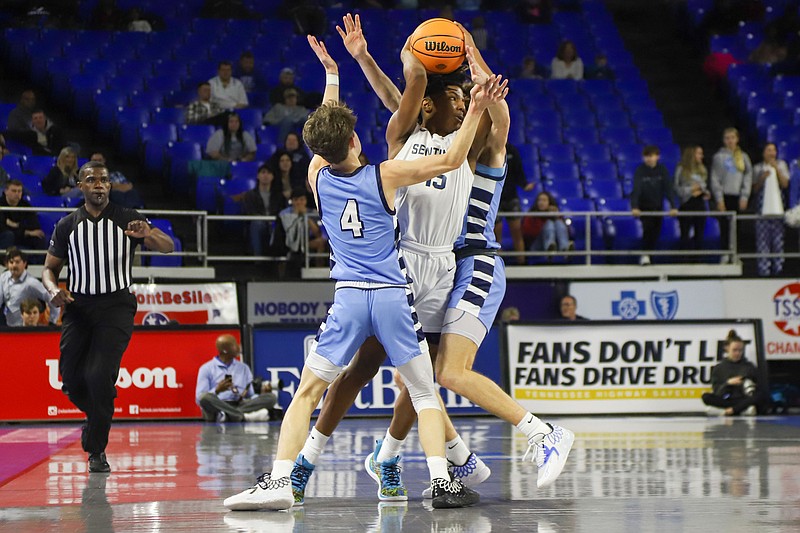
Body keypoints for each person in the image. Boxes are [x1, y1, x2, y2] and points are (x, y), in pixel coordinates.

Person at [289, 14, 570, 507]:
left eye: (467, 101)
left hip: (448, 266)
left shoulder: (468, 145)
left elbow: (495, 118)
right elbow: (406, 86)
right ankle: (313, 463)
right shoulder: (404, 139)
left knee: (427, 375)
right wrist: (365, 57)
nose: (463, 105)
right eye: (456, 99)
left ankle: (404, 457)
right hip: (397, 268)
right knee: (364, 370)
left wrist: (470, 58)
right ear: (430, 107)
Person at [223, 34, 505, 512]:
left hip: (350, 296)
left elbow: (326, 131)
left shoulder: (317, 176)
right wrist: (475, 105)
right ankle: (441, 478)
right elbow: (455, 158)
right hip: (397, 292)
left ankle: (280, 481)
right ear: (357, 140)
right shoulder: (385, 174)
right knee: (424, 392)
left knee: (309, 390)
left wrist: (336, 74)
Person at [41, 160, 174, 473]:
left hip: (116, 305)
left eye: (103, 180)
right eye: (91, 180)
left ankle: (96, 450)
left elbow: (167, 247)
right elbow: (49, 269)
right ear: (81, 186)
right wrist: (51, 291)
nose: (98, 184)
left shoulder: (127, 218)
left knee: (100, 376)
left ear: (109, 186)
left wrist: (150, 234)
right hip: (77, 305)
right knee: (71, 379)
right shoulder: (67, 224)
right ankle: (98, 415)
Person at [195, 334, 278, 422]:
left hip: (239, 404)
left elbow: (251, 394)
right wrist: (217, 390)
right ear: (225, 350)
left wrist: (261, 394)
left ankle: (228, 416)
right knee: (205, 398)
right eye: (235, 345)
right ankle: (243, 416)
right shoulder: (206, 368)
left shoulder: (243, 368)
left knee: (271, 397)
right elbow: (199, 398)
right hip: (218, 405)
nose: (239, 347)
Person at [630, 145, 679, 265]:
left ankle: (649, 255)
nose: (649, 159)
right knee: (648, 230)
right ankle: (645, 255)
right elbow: (636, 190)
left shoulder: (662, 170)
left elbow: (668, 189)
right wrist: (635, 206)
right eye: (647, 156)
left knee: (656, 232)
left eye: (652, 156)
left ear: (658, 157)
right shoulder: (640, 171)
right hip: (644, 207)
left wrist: (673, 206)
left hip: (658, 207)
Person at [710, 127, 752, 263]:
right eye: (727, 138)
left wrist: (745, 196)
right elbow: (715, 178)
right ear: (723, 140)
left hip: (738, 196)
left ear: (737, 139)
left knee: (737, 227)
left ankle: (735, 254)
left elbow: (748, 176)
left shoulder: (743, 157)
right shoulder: (718, 157)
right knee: (724, 226)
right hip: (725, 195)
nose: (730, 141)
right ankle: (724, 253)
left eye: (732, 138)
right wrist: (719, 198)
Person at [751, 142, 790, 276]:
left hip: (778, 210)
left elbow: (785, 184)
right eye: (768, 150)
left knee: (778, 242)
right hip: (762, 211)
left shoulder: (782, 165)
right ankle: (764, 271)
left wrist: (777, 170)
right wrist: (762, 177)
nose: (771, 153)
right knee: (763, 242)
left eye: (773, 150)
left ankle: (778, 270)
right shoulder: (757, 168)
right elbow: (755, 189)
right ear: (764, 153)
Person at [702, 330, 759, 416]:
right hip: (728, 400)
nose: (738, 353)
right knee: (706, 397)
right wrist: (728, 383)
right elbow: (717, 392)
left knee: (759, 397)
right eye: (735, 350)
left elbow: (757, 391)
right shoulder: (719, 368)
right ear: (727, 348)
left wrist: (746, 384)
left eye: (740, 350)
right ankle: (741, 411)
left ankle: (728, 411)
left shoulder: (749, 366)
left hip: (743, 399)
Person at [273, 188, 326, 278]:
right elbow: (286, 231)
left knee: (321, 242)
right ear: (292, 201)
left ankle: (319, 268)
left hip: (307, 241)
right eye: (296, 200)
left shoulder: (312, 213)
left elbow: (317, 233)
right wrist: (295, 216)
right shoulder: (285, 214)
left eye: (301, 200)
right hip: (289, 242)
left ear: (305, 201)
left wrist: (306, 217)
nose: (299, 203)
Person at [495, 142, 533, 264]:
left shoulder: (512, 150)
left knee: (516, 230)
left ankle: (522, 262)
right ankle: (496, 264)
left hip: (511, 197)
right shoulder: (490, 147)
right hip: (496, 197)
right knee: (496, 232)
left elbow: (519, 171)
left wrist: (524, 184)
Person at [0, 247, 59, 327]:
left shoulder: (31, 283)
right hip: (7, 328)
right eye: (11, 262)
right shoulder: (3, 278)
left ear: (24, 263)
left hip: (26, 329)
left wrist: (52, 322)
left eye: (17, 262)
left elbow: (52, 298)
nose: (14, 265)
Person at [241, 163, 286, 256]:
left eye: (269, 173)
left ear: (272, 176)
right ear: (258, 176)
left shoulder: (278, 196)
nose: (265, 175)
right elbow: (249, 212)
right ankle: (258, 257)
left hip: (275, 222)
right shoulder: (250, 195)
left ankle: (278, 257)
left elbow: (282, 211)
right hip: (259, 222)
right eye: (263, 172)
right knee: (257, 224)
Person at [675, 145, 710, 258]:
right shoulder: (681, 169)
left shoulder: (702, 169)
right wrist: (691, 190)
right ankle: (684, 262)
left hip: (699, 204)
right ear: (691, 154)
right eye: (699, 153)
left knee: (699, 235)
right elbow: (676, 188)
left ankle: (698, 261)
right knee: (685, 235)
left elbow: (703, 186)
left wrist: (705, 192)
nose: (702, 156)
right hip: (686, 204)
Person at [0, 179, 48, 252]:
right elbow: (3, 228)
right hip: (6, 236)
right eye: (14, 191)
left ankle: (40, 263)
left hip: (21, 236)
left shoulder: (25, 205)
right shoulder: (1, 205)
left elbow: (34, 225)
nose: (17, 194)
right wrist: (26, 231)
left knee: (39, 237)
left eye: (19, 191)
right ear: (6, 191)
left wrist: (16, 225)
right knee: (9, 235)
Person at [521, 191, 573, 258]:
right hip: (537, 244)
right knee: (549, 223)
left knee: (558, 223)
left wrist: (557, 216)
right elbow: (527, 234)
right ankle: (549, 248)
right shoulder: (531, 215)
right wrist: (544, 224)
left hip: (556, 244)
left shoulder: (556, 214)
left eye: (544, 200)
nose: (541, 203)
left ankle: (565, 249)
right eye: (539, 200)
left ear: (549, 202)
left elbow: (568, 232)